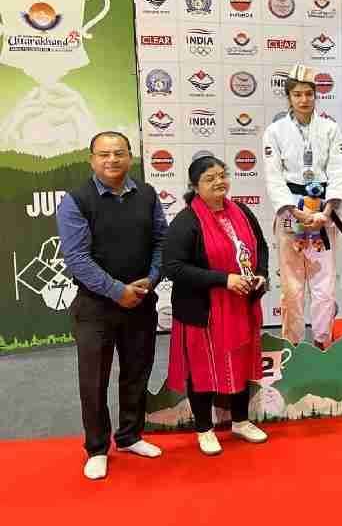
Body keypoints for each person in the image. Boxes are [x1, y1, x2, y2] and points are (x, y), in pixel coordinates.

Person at [56, 131, 167, 480]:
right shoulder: (76, 200)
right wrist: (117, 290)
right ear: (91, 159)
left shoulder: (147, 194)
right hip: (95, 307)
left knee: (137, 372)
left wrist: (152, 279)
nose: (112, 160)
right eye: (104, 154)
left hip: (141, 301)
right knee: (94, 380)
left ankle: (131, 436)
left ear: (130, 156)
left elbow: (162, 241)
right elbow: (77, 258)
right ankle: (97, 448)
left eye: (119, 153)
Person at [163, 155, 270, 455]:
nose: (219, 182)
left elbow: (260, 247)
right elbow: (173, 267)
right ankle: (204, 429)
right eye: (210, 179)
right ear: (194, 186)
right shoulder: (186, 222)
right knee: (203, 369)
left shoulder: (243, 212)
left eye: (222, 175)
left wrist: (260, 274)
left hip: (240, 305)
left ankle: (241, 421)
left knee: (241, 362)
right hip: (203, 310)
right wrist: (224, 280)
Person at [262, 63, 342, 348]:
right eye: (297, 94)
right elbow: (274, 177)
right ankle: (293, 344)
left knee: (324, 287)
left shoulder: (330, 129)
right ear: (288, 96)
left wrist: (327, 211)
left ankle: (323, 341)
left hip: (323, 212)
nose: (304, 99)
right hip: (291, 213)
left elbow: (339, 172)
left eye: (309, 94)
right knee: (292, 286)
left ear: (316, 95)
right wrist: (294, 210)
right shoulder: (275, 131)